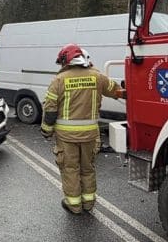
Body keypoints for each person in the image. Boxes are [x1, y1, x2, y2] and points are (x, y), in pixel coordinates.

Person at [41, 44, 125, 214]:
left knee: (70, 169)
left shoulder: (58, 80)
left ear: (66, 61)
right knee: (88, 168)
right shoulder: (97, 77)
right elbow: (118, 92)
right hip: (90, 135)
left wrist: (46, 130)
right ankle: (88, 203)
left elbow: (50, 109)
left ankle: (74, 205)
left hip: (66, 137)